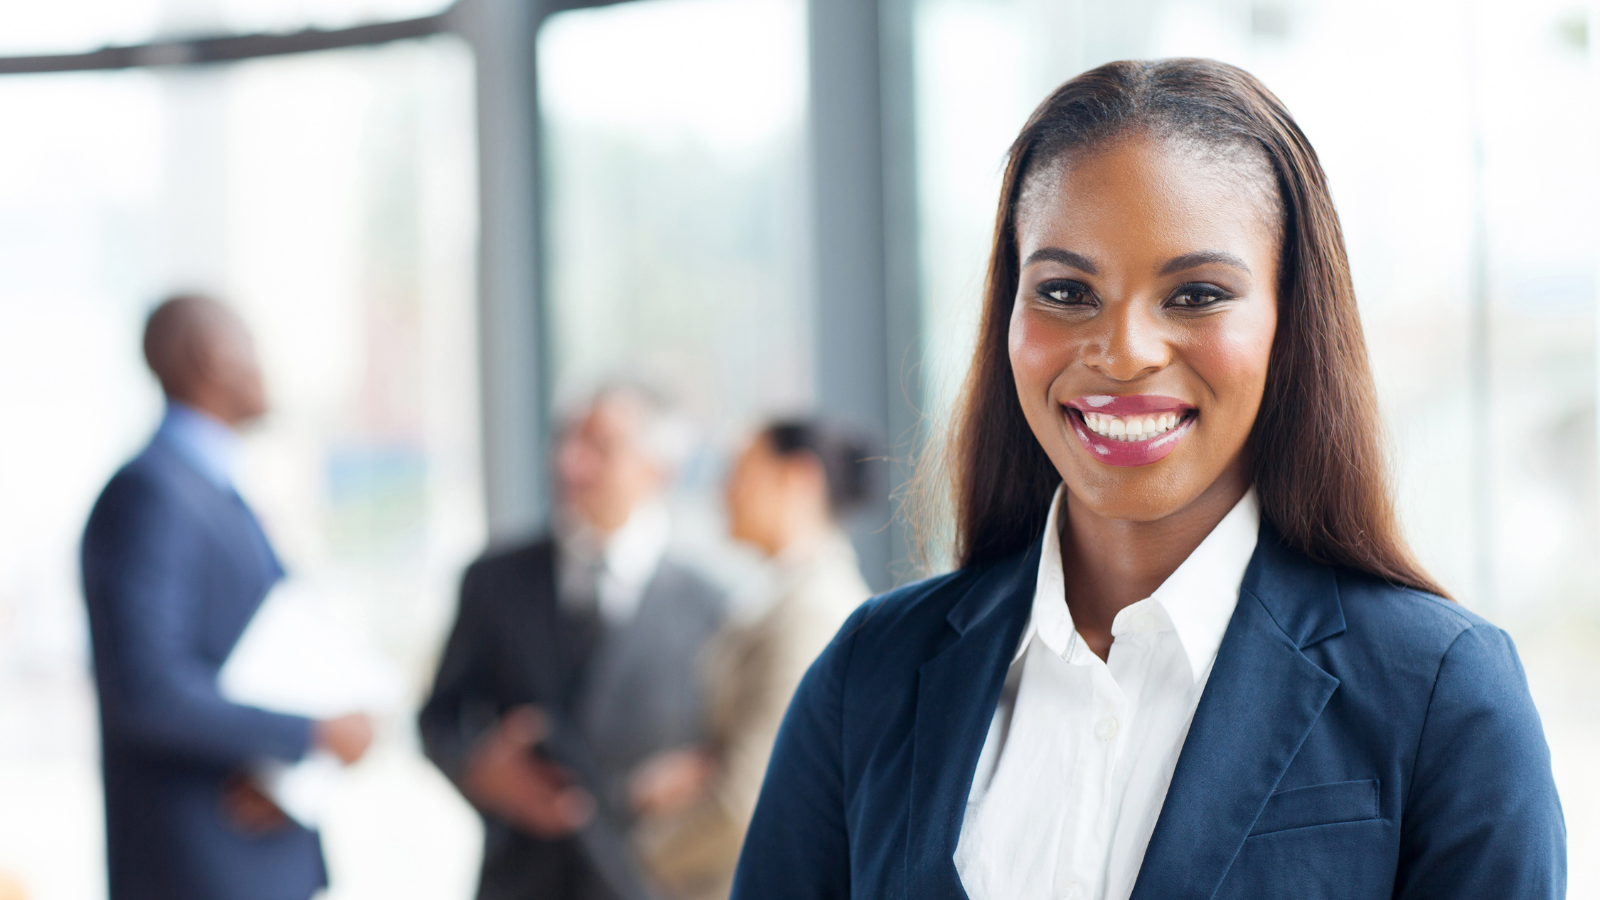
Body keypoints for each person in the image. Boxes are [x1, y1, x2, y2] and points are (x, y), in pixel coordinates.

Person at [731, 59, 1565, 900]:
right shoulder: (868, 676)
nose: (1124, 351)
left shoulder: (1441, 693)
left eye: (1197, 294)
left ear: (1289, 320)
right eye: (1065, 291)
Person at [81, 295, 374, 900]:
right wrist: (312, 734)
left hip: (248, 855)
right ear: (214, 358)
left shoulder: (213, 491)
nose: (266, 370)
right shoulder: (151, 496)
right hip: (199, 866)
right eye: (253, 348)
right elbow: (151, 689)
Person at [420, 382, 728, 900]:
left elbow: (738, 752)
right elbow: (438, 717)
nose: (570, 464)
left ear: (658, 471)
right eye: (564, 442)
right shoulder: (495, 579)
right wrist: (481, 769)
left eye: (599, 449)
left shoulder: (712, 604)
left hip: (652, 881)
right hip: (521, 879)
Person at [635, 418, 877, 900]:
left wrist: (641, 851)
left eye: (738, 472)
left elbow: (750, 800)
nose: (723, 492)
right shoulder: (778, 597)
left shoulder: (812, 613)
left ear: (798, 478)